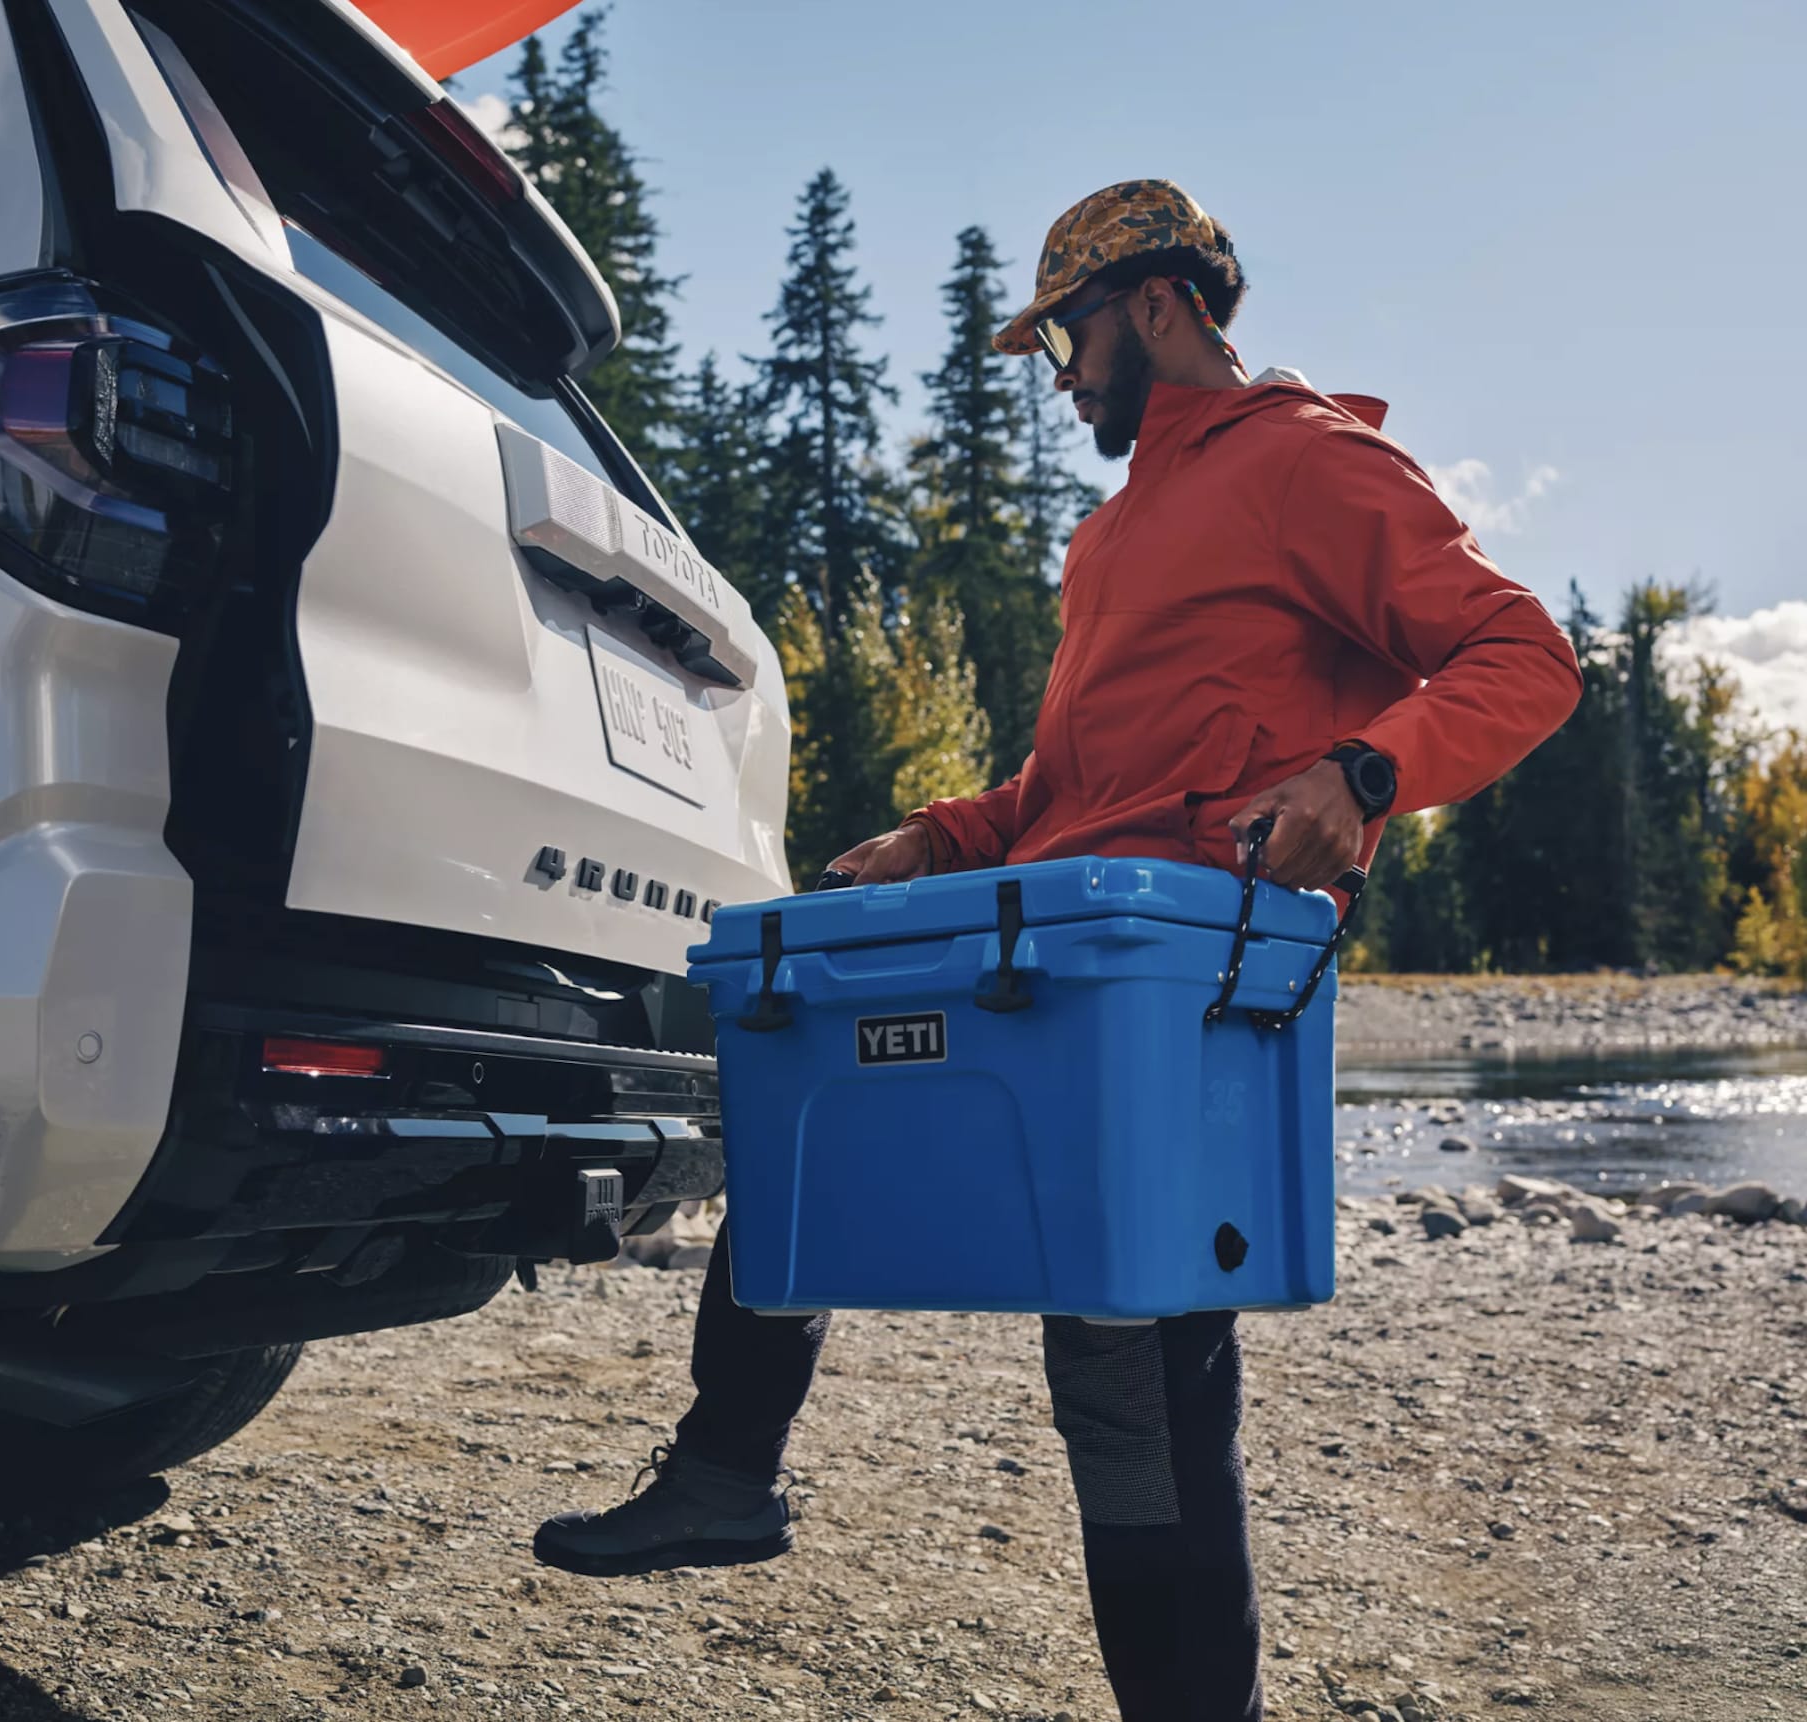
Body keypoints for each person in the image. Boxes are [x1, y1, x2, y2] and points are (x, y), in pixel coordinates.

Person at [535, 178, 1583, 1720]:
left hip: (1170, 978)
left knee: (1126, 1369)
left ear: (1158, 304)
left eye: (1069, 336)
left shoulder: (1309, 461)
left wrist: (1364, 777)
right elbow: (1065, 789)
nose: (1061, 373)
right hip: (1057, 940)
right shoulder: (1111, 535)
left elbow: (1524, 654)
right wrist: (941, 834)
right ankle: (724, 1471)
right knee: (803, 1085)